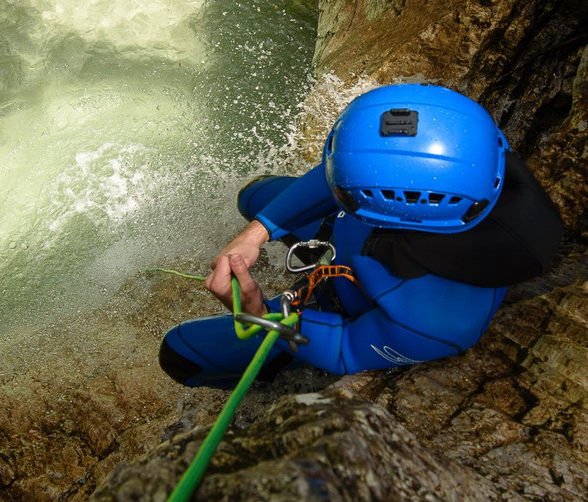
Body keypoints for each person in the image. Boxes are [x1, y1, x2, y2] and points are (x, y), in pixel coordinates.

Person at [159, 83, 564, 387]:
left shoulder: (438, 323)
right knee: (253, 195)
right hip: (347, 236)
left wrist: (260, 315)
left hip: (344, 302)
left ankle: (271, 373)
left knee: (180, 355)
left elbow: (343, 348)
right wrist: (258, 231)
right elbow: (360, 166)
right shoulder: (471, 161)